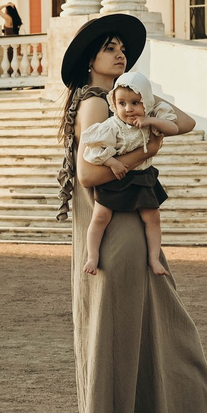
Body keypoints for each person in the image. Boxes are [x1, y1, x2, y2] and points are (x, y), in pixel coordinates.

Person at [57, 14, 207, 413]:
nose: (120, 54)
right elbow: (89, 174)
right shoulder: (94, 104)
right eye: (110, 48)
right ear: (90, 59)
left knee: (164, 340)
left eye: (123, 48)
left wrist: (146, 100)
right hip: (115, 237)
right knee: (128, 346)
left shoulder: (122, 99)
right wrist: (147, 150)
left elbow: (183, 118)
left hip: (133, 234)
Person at [79, 68, 184, 278]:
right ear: (114, 104)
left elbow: (173, 128)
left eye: (135, 103)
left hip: (142, 177)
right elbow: (91, 152)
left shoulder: (152, 119)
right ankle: (92, 256)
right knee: (100, 217)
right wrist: (112, 162)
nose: (128, 109)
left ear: (146, 102)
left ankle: (154, 258)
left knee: (152, 217)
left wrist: (151, 122)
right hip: (115, 178)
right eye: (122, 103)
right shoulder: (112, 126)